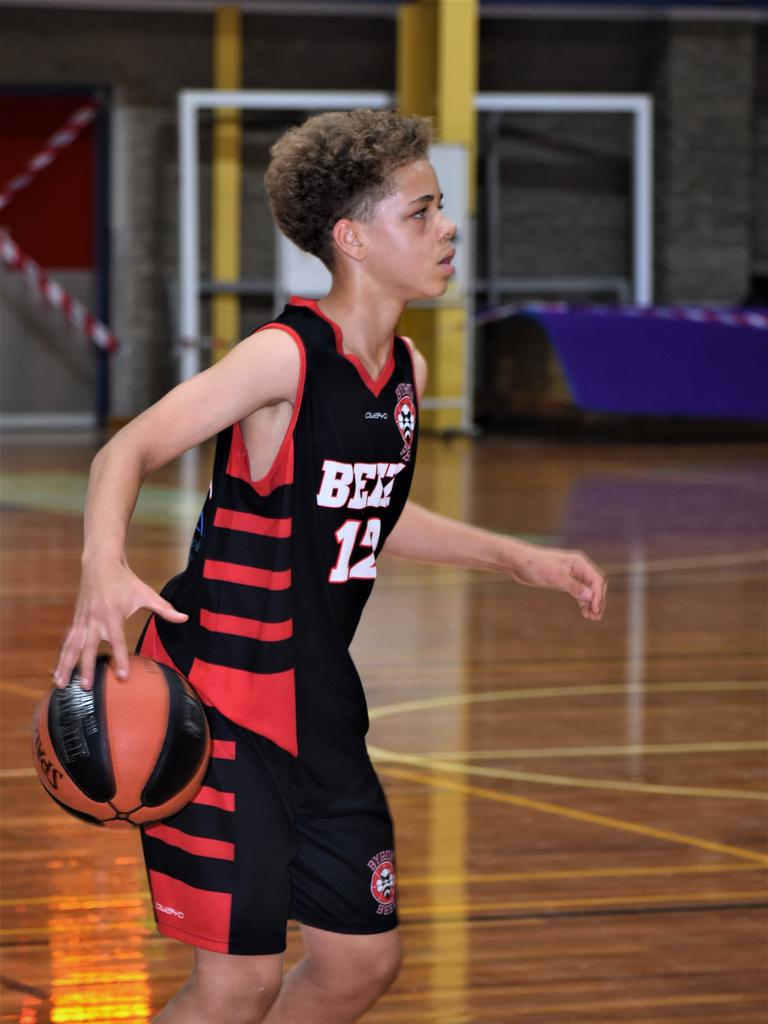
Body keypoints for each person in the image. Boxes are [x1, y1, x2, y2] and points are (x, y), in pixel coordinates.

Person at [53, 109, 607, 1024]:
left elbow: (368, 515)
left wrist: (518, 559)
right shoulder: (283, 357)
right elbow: (127, 450)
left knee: (359, 964)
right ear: (352, 238)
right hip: (221, 703)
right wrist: (101, 567)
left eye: (442, 209)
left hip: (319, 705)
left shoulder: (404, 373)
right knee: (239, 982)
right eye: (422, 212)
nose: (448, 228)